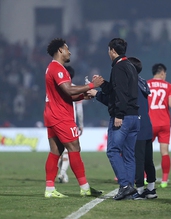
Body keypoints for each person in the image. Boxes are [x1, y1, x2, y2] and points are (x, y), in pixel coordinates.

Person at [88, 57, 157, 200]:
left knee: (126, 155)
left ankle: (132, 188)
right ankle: (149, 189)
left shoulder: (129, 84)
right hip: (145, 124)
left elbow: (118, 102)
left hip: (131, 121)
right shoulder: (142, 82)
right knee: (144, 159)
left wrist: (97, 94)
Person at [43, 38, 103, 198]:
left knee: (56, 150)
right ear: (60, 50)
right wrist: (92, 85)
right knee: (74, 148)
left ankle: (50, 189)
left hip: (52, 114)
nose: (70, 52)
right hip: (61, 116)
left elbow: (65, 95)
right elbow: (69, 90)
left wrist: (83, 96)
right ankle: (85, 188)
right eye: (67, 49)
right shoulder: (57, 68)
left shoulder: (52, 68)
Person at [97, 38, 140, 200]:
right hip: (134, 116)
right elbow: (119, 90)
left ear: (112, 50)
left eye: (108, 50)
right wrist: (103, 84)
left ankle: (124, 185)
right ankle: (129, 190)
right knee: (129, 155)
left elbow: (121, 93)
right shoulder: (130, 66)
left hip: (123, 116)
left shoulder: (119, 67)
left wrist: (119, 114)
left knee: (113, 150)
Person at [147, 63, 171, 188]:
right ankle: (164, 180)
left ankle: (145, 177)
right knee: (164, 152)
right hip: (164, 123)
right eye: (165, 73)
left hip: (150, 122)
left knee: (145, 151)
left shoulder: (147, 84)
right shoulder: (169, 86)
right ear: (161, 73)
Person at [57, 66, 84, 183]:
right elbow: (79, 110)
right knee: (70, 150)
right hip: (69, 122)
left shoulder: (56, 88)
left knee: (58, 150)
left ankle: (61, 174)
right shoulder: (75, 89)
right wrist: (81, 124)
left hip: (56, 121)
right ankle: (62, 173)